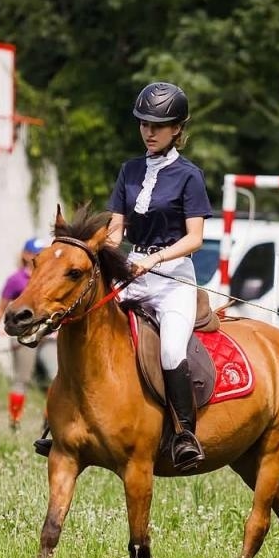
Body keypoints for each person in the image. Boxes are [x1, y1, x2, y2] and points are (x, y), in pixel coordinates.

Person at [103, 81, 216, 470]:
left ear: (177, 130)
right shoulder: (129, 171)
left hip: (172, 281)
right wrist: (99, 243)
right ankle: (66, 421)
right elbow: (118, 228)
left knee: (170, 350)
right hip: (132, 272)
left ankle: (185, 433)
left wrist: (155, 259)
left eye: (158, 125)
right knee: (88, 324)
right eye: (143, 124)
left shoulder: (189, 175)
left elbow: (196, 238)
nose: (149, 132)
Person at [0, 237, 56, 429]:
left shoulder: (51, 278)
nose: (39, 257)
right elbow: (1, 308)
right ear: (26, 255)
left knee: (55, 376)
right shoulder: (15, 280)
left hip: (48, 336)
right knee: (22, 379)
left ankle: (49, 421)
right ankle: (15, 422)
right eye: (36, 253)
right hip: (24, 336)